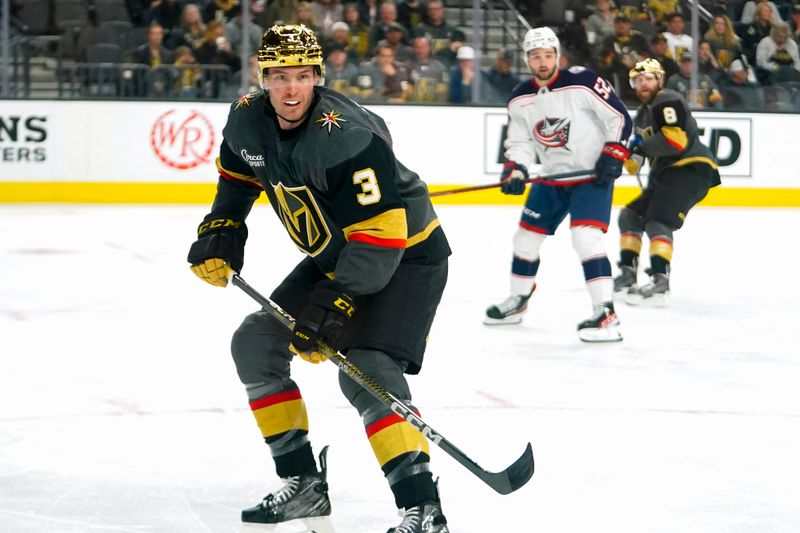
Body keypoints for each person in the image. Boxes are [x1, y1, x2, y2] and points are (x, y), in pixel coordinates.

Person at [186, 24, 452, 533]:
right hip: (338, 255)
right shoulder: (247, 120)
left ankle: (423, 509)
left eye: (303, 76)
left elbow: (380, 237)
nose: (291, 89)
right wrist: (223, 227)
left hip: (407, 257)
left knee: (366, 369)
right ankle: (304, 485)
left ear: (318, 77)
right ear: (262, 77)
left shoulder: (349, 135)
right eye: (280, 76)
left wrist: (335, 306)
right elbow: (238, 176)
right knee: (255, 343)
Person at [484, 26, 633, 343]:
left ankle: (605, 312)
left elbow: (619, 118)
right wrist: (517, 168)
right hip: (552, 177)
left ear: (558, 56)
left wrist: (613, 152)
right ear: (527, 59)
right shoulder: (520, 98)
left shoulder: (582, 81)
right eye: (536, 56)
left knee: (585, 238)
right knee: (524, 239)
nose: (542, 62)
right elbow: (520, 142)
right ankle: (517, 301)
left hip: (592, 176)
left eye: (548, 55)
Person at [614, 58, 721, 305]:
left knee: (658, 219)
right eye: (638, 80)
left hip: (690, 168)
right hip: (667, 174)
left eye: (648, 78)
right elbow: (635, 164)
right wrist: (623, 156)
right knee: (630, 215)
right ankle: (628, 274)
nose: (643, 84)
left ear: (659, 81)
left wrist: (639, 145)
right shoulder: (641, 117)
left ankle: (660, 282)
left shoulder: (666, 99)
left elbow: (675, 142)